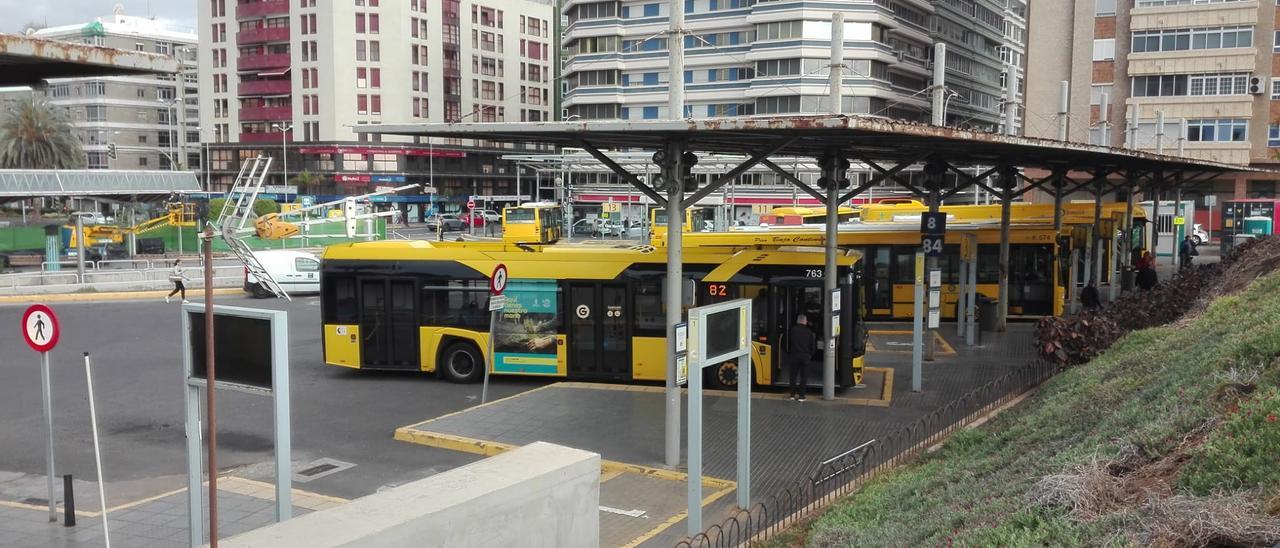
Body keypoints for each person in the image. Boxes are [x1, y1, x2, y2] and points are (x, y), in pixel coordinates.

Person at [785, 314, 817, 401]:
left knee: (793, 376)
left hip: (794, 355)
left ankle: (792, 395)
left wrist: (789, 353)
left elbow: (787, 343)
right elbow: (813, 346)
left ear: (798, 321)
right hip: (805, 356)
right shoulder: (809, 332)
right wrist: (810, 355)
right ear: (805, 321)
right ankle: (801, 396)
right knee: (804, 376)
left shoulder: (792, 330)